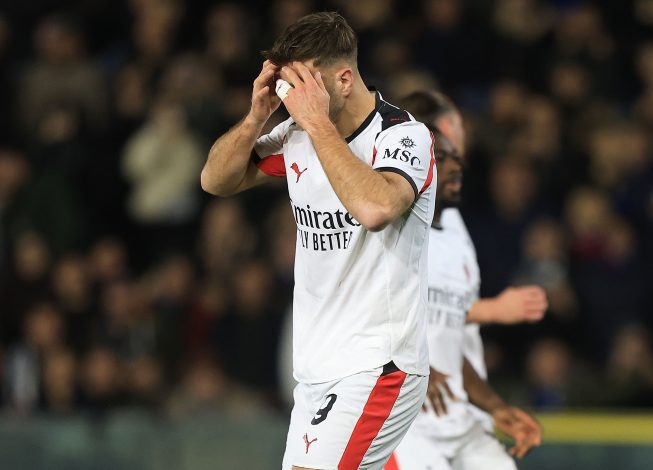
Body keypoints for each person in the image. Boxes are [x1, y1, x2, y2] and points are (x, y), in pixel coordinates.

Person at [201, 12, 436, 470]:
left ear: (343, 80)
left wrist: (317, 127)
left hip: (378, 364)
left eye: (305, 85)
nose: (295, 101)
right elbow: (215, 180)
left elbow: (375, 208)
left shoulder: (403, 137)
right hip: (315, 372)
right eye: (289, 86)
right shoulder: (298, 136)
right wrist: (256, 116)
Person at [387, 130, 542, 469]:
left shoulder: (457, 239)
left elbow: (448, 342)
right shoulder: (387, 233)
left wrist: (497, 408)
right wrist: (411, 367)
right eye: (441, 158)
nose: (455, 167)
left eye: (456, 158)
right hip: (404, 425)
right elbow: (361, 320)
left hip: (457, 421)